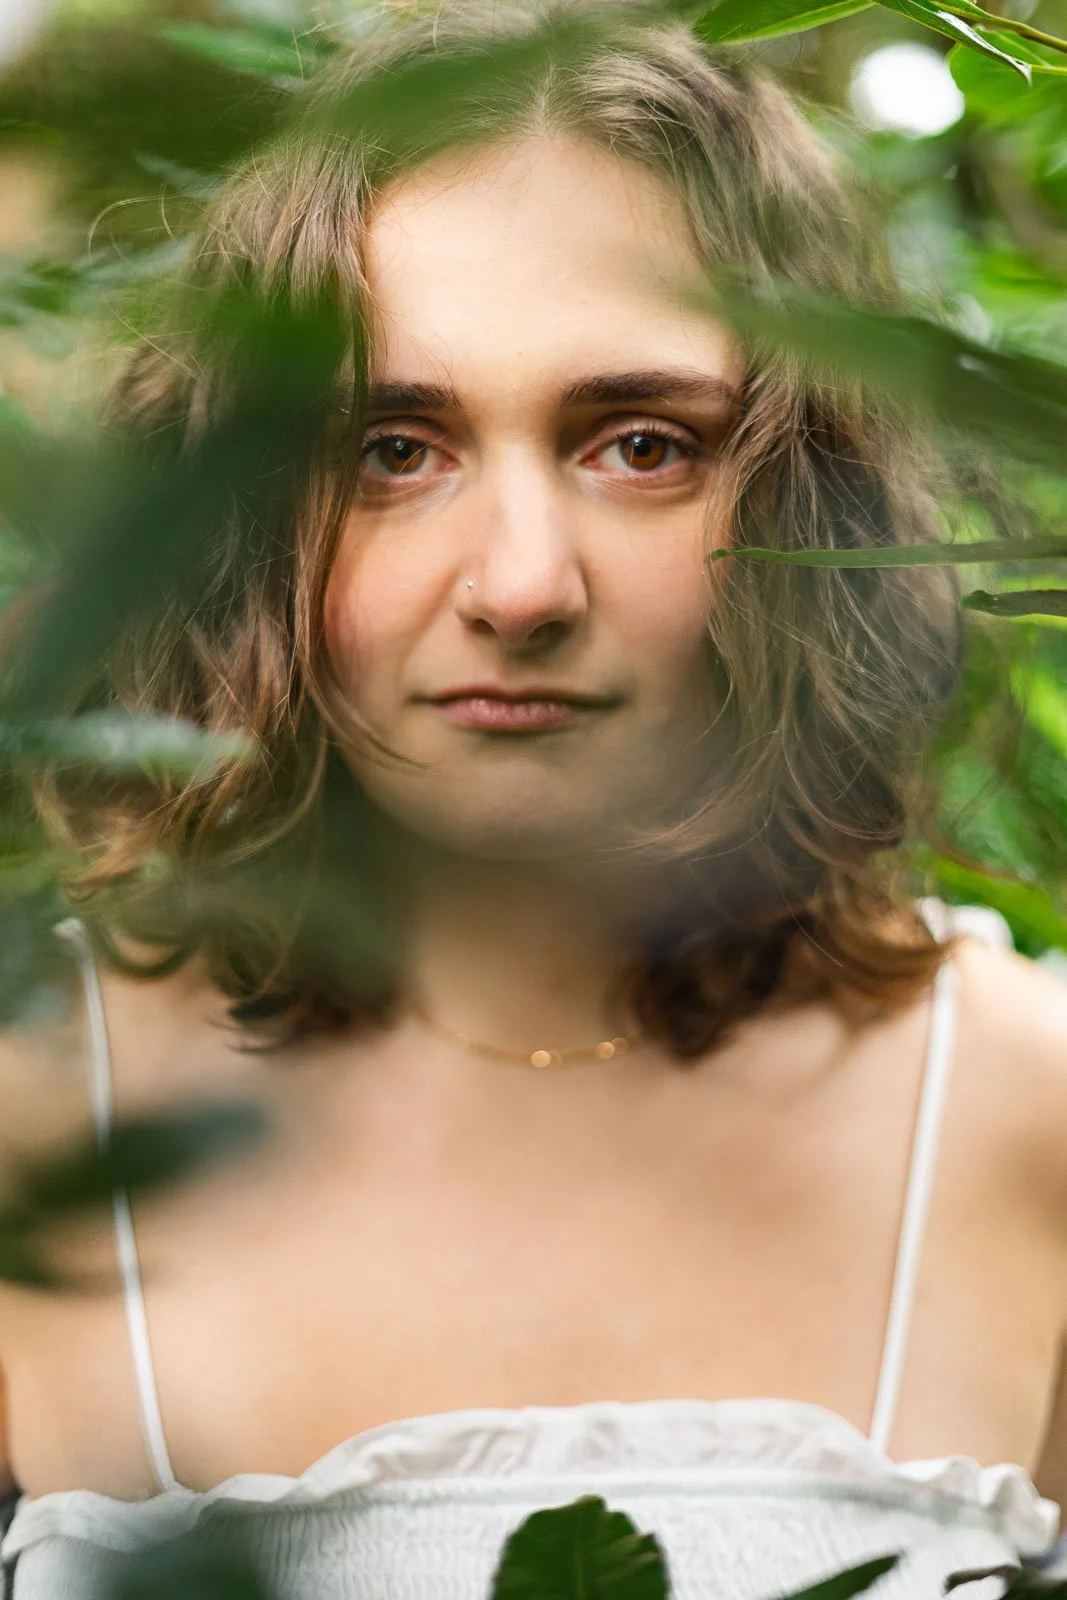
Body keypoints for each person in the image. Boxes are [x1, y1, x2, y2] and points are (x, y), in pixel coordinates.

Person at [2, 2, 1067, 1596]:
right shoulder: (34, 1123)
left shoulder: (1025, 1117)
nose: (518, 585)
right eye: (392, 447)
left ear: (802, 489)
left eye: (641, 444)